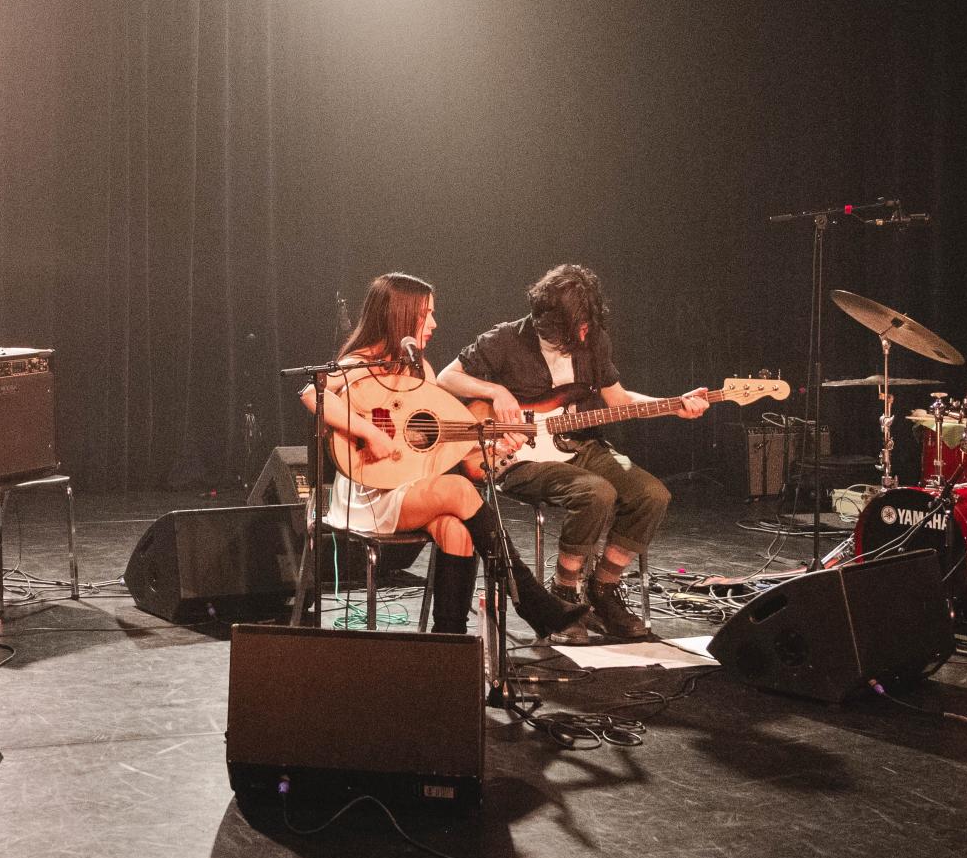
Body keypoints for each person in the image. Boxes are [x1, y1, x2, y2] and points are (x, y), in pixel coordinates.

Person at [437, 264, 708, 641]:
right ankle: (563, 593)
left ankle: (603, 590)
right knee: (595, 493)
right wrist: (496, 392)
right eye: (572, 329)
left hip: (583, 445)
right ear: (545, 320)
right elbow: (445, 378)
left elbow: (619, 400)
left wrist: (674, 405)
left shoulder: (594, 340)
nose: (581, 335)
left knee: (652, 494)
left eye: (584, 326)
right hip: (518, 459)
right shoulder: (505, 339)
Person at [302, 273, 577, 641]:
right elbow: (312, 393)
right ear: (399, 315)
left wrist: (491, 447)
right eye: (425, 314)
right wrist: (371, 433)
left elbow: (438, 440)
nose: (433, 323)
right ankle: (530, 598)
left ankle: (449, 640)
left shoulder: (421, 370)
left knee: (457, 531)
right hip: (368, 494)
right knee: (461, 491)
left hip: (410, 486)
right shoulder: (360, 363)